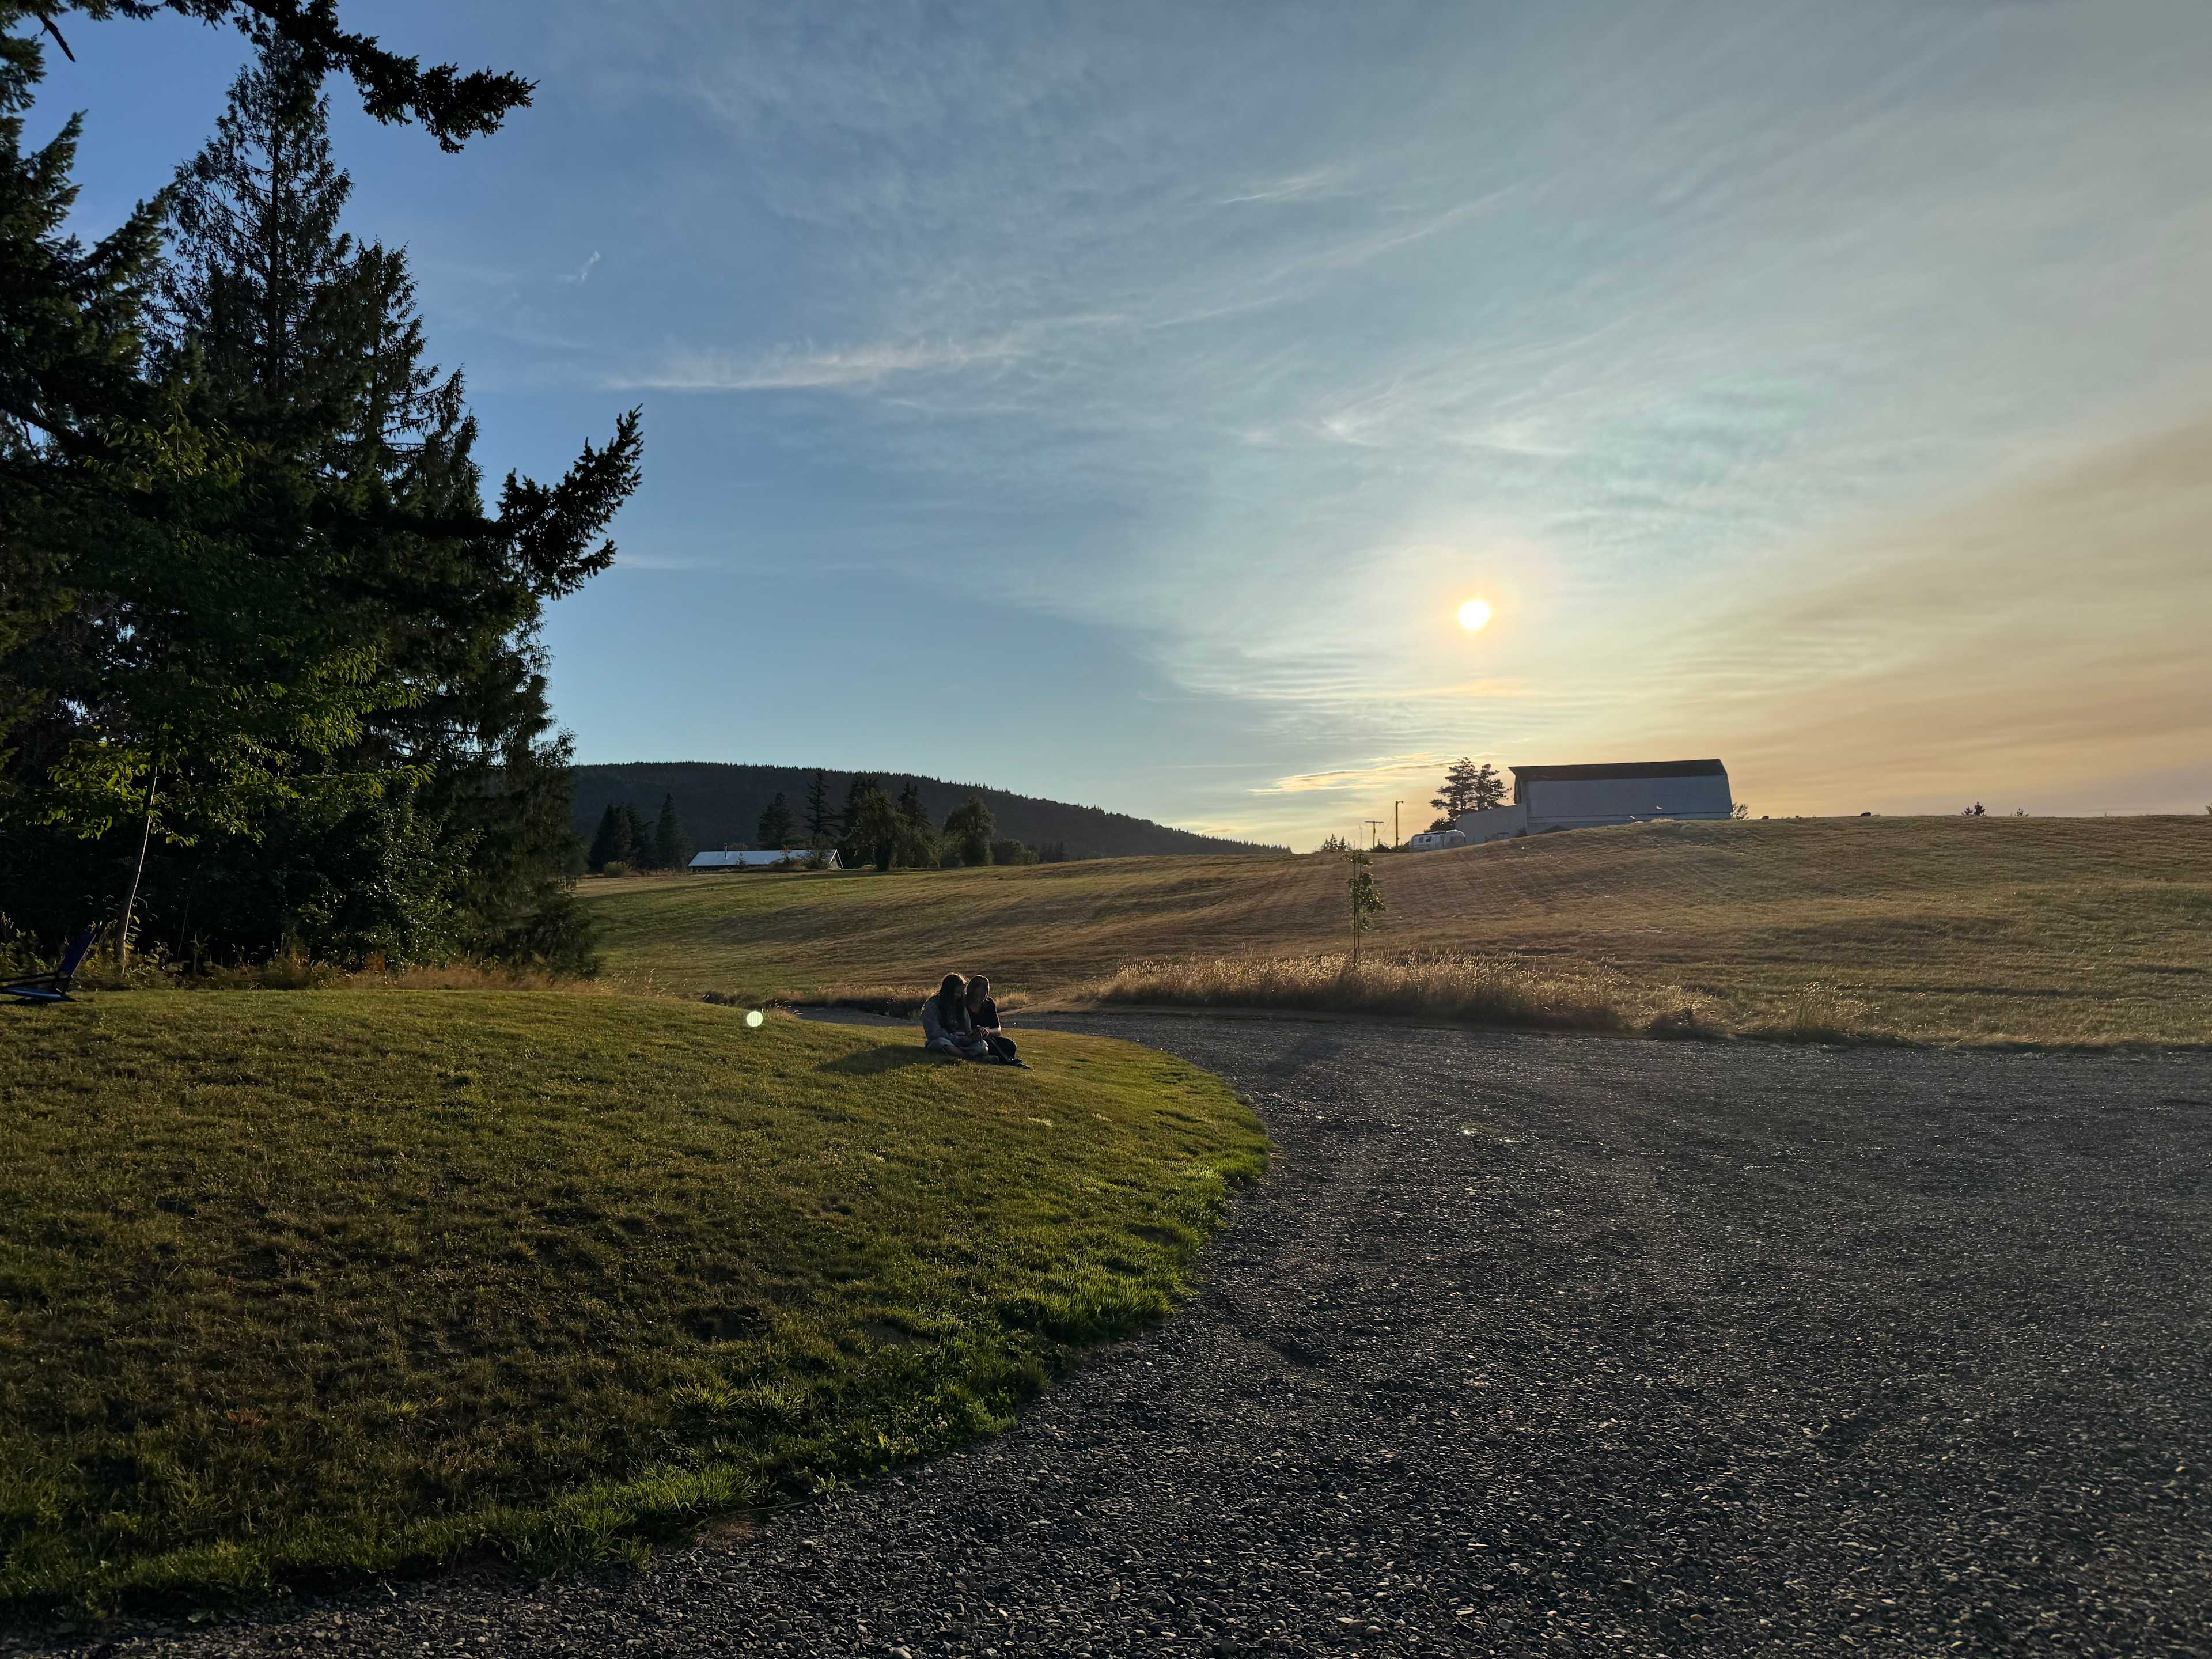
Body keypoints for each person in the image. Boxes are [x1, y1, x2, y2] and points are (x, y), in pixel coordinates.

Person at [921, 972, 989, 1060]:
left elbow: (967, 1029)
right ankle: (970, 1057)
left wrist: (974, 1036)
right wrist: (958, 1040)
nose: (959, 996)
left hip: (962, 1043)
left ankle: (967, 1055)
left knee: (983, 1045)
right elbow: (934, 1033)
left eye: (961, 993)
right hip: (945, 1041)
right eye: (957, 992)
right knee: (942, 1043)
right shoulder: (932, 1006)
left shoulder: (960, 1006)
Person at [965, 974, 1025, 1067]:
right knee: (989, 1044)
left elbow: (997, 1030)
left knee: (1010, 1045)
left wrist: (987, 1031)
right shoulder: (963, 1004)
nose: (979, 1000)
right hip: (970, 1037)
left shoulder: (989, 1004)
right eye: (976, 996)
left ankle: (993, 1057)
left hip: (987, 1036)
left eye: (982, 997)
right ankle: (1008, 1061)